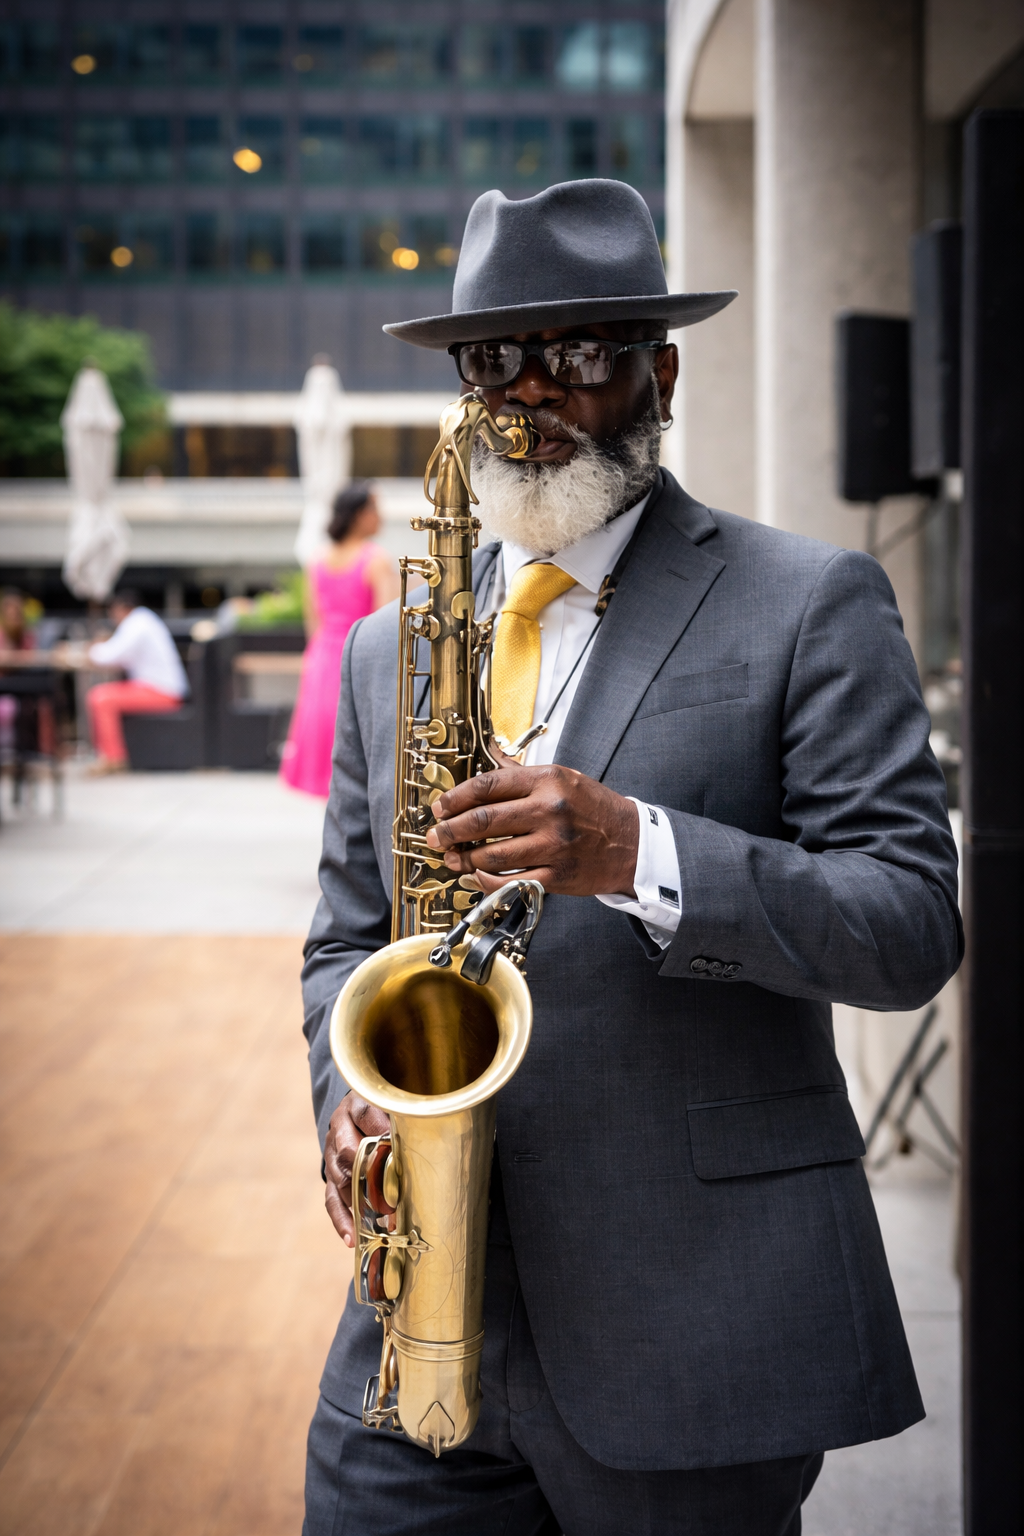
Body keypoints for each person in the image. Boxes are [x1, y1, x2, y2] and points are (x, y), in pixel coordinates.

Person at [299, 181, 962, 1536]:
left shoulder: (811, 601)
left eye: (578, 354)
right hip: (423, 1329)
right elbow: (341, 944)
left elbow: (907, 925)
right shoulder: (389, 648)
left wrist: (641, 849)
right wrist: (347, 1099)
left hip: (696, 1330)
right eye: (492, 359)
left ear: (659, 371)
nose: (525, 396)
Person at [280, 482, 398, 798]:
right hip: (359, 656)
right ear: (359, 515)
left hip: (322, 657)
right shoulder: (376, 560)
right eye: (375, 508)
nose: (380, 516)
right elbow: (384, 625)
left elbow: (313, 621)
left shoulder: (318, 560)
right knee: (357, 744)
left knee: (324, 742)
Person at [86, 589, 188, 774]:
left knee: (100, 697)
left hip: (162, 691)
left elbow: (110, 655)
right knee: (103, 695)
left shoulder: (137, 623)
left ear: (121, 609)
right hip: (158, 688)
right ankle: (110, 756)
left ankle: (113, 758)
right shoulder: (145, 620)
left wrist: (91, 650)